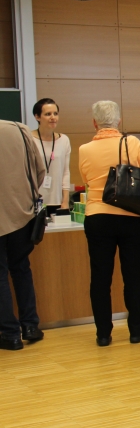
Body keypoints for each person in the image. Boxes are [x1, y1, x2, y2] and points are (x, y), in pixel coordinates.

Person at [79, 101, 140, 347]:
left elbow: (87, 180)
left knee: (100, 277)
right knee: (133, 276)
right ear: (119, 121)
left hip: (98, 217)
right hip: (132, 218)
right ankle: (136, 330)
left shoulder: (84, 149)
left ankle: (103, 334)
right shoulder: (132, 143)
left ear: (94, 122)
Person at [0, 120, 46, 350]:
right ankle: (30, 326)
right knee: (21, 268)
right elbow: (40, 170)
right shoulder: (19, 129)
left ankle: (9, 334)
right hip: (22, 214)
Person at [30, 98, 71, 216]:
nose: (53, 117)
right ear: (37, 117)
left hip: (58, 201)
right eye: (48, 114)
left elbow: (65, 172)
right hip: (34, 202)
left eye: (55, 113)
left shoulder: (64, 140)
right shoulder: (29, 138)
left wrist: (65, 201)